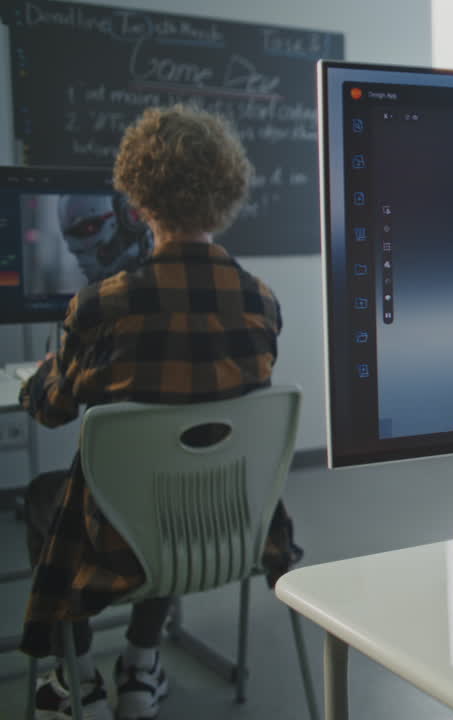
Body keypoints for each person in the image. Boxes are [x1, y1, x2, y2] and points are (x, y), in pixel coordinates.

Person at [20, 105, 299, 720]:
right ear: (226, 194)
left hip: (119, 541)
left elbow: (50, 410)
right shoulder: (262, 302)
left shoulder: (99, 307)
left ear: (137, 202)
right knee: (172, 484)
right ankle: (141, 665)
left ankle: (81, 677)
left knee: (47, 496)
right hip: (232, 527)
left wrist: (41, 375)